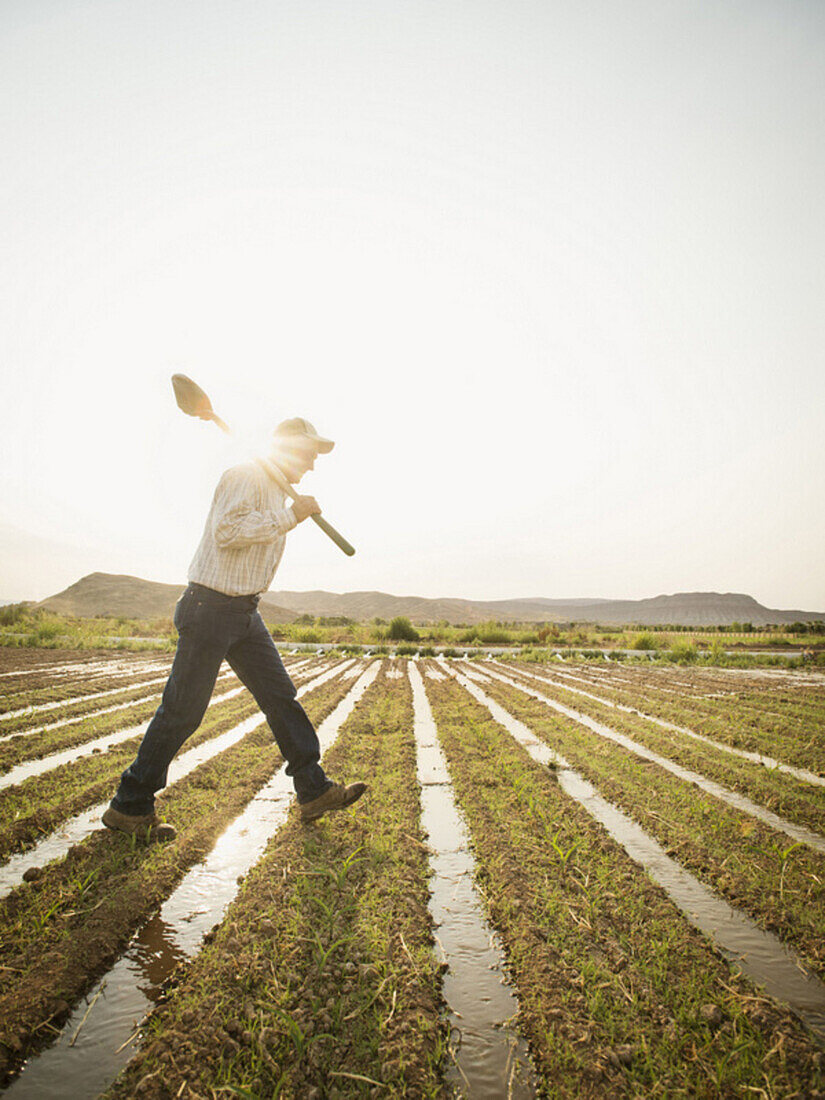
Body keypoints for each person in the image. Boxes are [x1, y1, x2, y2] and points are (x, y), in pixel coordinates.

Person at [102, 417, 366, 840]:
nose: (313, 465)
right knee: (183, 711)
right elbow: (227, 532)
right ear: (290, 448)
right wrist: (290, 516)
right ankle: (129, 806)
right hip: (210, 607)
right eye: (310, 455)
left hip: (244, 611)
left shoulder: (276, 487)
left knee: (280, 697)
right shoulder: (245, 475)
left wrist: (287, 511)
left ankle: (313, 790)